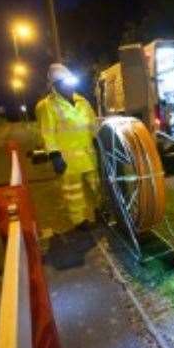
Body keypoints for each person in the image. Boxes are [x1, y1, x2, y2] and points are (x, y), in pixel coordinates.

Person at [36, 63, 99, 230]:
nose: (69, 85)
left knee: (97, 186)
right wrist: (55, 155)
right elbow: (47, 133)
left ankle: (101, 211)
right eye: (64, 82)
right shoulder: (46, 106)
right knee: (74, 193)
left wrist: (98, 140)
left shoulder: (82, 101)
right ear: (55, 85)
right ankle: (80, 221)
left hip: (89, 155)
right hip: (68, 161)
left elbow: (92, 124)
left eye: (71, 81)